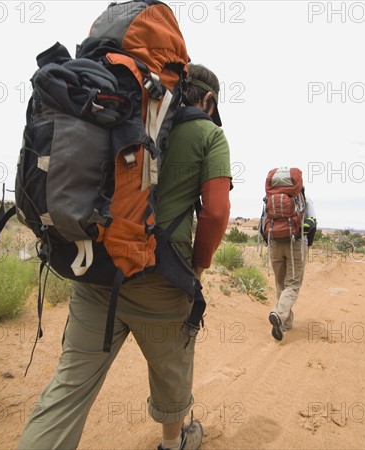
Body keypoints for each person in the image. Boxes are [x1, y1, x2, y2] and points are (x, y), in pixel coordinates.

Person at [17, 63, 231, 450]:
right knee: (170, 370)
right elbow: (215, 212)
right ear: (209, 100)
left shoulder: (120, 116)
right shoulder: (208, 133)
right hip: (163, 281)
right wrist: (198, 267)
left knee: (69, 386)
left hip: (98, 271)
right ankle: (173, 442)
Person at [268, 194, 317, 341]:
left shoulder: (270, 198)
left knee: (281, 284)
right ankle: (279, 313)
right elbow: (312, 223)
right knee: (293, 285)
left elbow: (264, 222)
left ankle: (285, 324)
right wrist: (307, 244)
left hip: (275, 244)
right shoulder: (304, 198)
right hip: (296, 243)